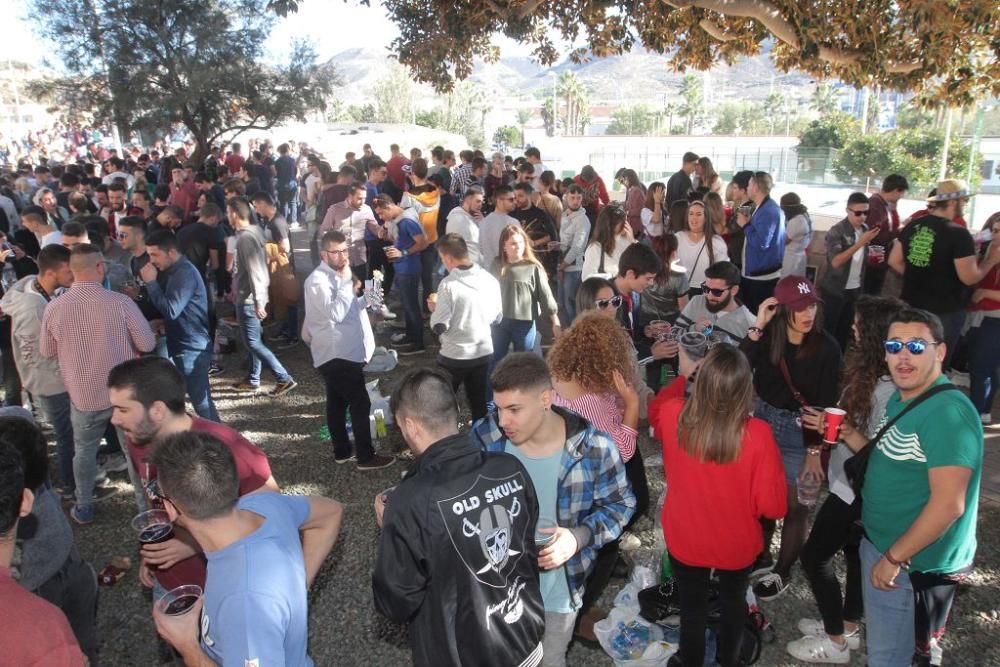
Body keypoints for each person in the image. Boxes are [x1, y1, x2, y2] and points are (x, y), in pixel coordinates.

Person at [471, 353, 635, 667]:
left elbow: (622, 504)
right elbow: (451, 479)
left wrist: (579, 536)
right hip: (499, 590)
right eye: (499, 408)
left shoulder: (594, 449)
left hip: (559, 593)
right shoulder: (486, 435)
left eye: (514, 409)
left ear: (545, 399)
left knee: (550, 659)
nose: (503, 420)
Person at [372, 368, 545, 667]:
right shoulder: (509, 467)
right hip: (525, 638)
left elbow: (396, 601)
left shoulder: (409, 502)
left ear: (411, 426)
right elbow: (527, 541)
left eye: (400, 427)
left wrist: (391, 525)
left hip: (462, 655)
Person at [148, 431, 343, 666]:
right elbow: (331, 511)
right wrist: (296, 588)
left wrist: (188, 646)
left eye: (156, 493)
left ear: (169, 508)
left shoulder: (245, 603)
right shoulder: (262, 505)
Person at [786, 295, 906, 664]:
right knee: (855, 555)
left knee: (814, 556)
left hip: (855, 489)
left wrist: (839, 429)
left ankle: (835, 641)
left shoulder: (888, 391)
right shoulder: (871, 373)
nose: (851, 329)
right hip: (850, 481)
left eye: (858, 325)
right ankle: (849, 626)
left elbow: (880, 452)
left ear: (871, 334)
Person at [858, 309, 982, 667]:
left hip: (910, 564)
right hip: (884, 547)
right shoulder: (904, 397)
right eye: (895, 345)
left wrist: (894, 558)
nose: (903, 355)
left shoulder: (947, 413)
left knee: (887, 657)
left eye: (916, 345)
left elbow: (948, 505)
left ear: (940, 352)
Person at [652, 344, 786, 667]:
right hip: (735, 543)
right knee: (733, 602)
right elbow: (774, 506)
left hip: (685, 536)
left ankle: (690, 660)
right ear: (745, 388)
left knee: (693, 607)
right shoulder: (758, 434)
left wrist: (682, 375)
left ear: (702, 381)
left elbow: (654, 408)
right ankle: (729, 660)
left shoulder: (674, 415)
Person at [741, 275, 841, 600]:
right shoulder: (768, 336)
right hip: (764, 422)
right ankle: (761, 554)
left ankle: (783, 571)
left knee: (798, 506)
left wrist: (815, 451)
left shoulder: (827, 347)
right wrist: (758, 323)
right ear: (782, 310)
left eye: (812, 305)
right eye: (799, 307)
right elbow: (739, 365)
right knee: (762, 498)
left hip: (803, 431)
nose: (808, 313)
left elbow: (824, 406)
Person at [40, 244, 155, 524]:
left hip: (83, 395)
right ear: (100, 267)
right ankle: (146, 508)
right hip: (123, 394)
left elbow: (46, 352)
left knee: (85, 450)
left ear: (72, 270)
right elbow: (147, 343)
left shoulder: (54, 308)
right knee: (134, 453)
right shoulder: (120, 303)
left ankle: (84, 504)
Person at [0, 415, 99, 663]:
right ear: (25, 500)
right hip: (31, 589)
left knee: (84, 640)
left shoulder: (15, 423)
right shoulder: (31, 623)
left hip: (67, 565)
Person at [301, 230, 396, 470]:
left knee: (336, 403)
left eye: (345, 250)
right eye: (337, 252)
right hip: (335, 352)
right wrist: (347, 283)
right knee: (360, 403)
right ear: (324, 254)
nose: (343, 257)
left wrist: (370, 296)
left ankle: (342, 451)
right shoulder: (317, 281)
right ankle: (366, 456)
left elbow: (352, 307)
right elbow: (334, 313)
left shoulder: (337, 277)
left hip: (346, 350)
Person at [889, 179, 1000, 371]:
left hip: (910, 305)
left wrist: (920, 275)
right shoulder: (959, 234)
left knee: (907, 361)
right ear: (952, 202)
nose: (965, 205)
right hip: (945, 312)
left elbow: (893, 260)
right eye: (964, 201)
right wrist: (991, 260)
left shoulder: (914, 226)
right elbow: (970, 277)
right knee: (934, 366)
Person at [1, 245, 78, 496]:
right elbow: (38, 354)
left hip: (49, 378)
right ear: (52, 272)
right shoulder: (34, 309)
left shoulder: (30, 284)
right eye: (69, 270)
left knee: (66, 430)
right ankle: (70, 483)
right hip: (51, 382)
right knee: (66, 433)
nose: (74, 275)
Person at [141, 230, 219, 422]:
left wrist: (151, 283)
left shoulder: (184, 273)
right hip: (185, 343)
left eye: (155, 255)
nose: (151, 261)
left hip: (191, 346)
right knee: (197, 400)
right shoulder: (176, 271)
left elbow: (172, 309)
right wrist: (162, 322)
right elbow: (179, 310)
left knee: (201, 403)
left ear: (172, 252)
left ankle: (224, 441)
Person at [227, 197, 297, 395]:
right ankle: (253, 378)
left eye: (227, 211)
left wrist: (259, 302)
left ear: (234, 213)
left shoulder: (246, 238)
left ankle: (284, 378)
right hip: (249, 298)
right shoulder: (253, 233)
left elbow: (256, 270)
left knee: (253, 342)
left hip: (248, 299)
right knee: (254, 340)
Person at [428, 234, 503, 421]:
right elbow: (497, 317)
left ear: (448, 258)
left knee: (443, 400)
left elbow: (439, 326)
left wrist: (434, 310)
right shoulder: (489, 279)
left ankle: (448, 436)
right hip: (483, 352)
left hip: (455, 355)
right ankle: (480, 441)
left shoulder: (448, 285)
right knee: (478, 401)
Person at [819, 192, 881, 350]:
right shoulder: (837, 231)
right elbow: (836, 261)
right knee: (829, 329)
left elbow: (861, 259)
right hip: (835, 289)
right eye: (858, 213)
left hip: (855, 288)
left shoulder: (865, 229)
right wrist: (860, 243)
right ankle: (826, 360)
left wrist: (872, 256)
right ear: (847, 210)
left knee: (846, 329)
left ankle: (839, 360)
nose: (863, 217)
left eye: (866, 213)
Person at [494, 225, 560, 365]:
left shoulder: (533, 267)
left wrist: (555, 322)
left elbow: (546, 296)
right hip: (500, 322)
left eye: (520, 242)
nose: (517, 246)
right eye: (513, 243)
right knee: (495, 361)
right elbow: (487, 292)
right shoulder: (496, 265)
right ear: (504, 246)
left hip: (524, 323)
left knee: (524, 363)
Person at [374, 193, 429, 355]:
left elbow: (423, 243)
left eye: (382, 213)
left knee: (412, 307)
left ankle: (418, 343)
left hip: (409, 269)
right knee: (407, 305)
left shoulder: (407, 221)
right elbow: (395, 237)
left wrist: (403, 253)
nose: (381, 217)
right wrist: (385, 227)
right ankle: (411, 336)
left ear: (389, 207)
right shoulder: (397, 219)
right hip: (402, 268)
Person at [735, 171, 785, 313]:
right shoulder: (763, 207)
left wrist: (745, 225)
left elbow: (762, 243)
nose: (748, 187)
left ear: (756, 187)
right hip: (759, 272)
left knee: (757, 315)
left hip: (762, 276)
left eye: (750, 184)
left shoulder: (768, 211)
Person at [967, 216, 1000, 425]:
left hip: (994, 318)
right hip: (983, 316)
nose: (995, 234)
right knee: (986, 367)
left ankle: (978, 410)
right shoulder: (989, 250)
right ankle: (983, 409)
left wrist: (985, 292)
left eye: (998, 231)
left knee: (981, 367)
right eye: (994, 230)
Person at [675, 260, 756, 341]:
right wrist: (694, 329)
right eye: (706, 289)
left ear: (734, 290)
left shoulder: (749, 323)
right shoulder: (697, 301)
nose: (709, 296)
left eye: (717, 292)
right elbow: (674, 334)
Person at [864, 174, 909, 295]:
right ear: (896, 190)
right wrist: (898, 232)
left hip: (878, 257)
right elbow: (874, 236)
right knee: (870, 291)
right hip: (873, 257)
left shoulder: (883, 204)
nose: (901, 196)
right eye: (902, 192)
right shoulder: (875, 205)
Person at [676, 199, 728, 296]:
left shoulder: (716, 242)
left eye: (698, 214)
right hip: (681, 292)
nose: (694, 218)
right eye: (691, 214)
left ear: (706, 218)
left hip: (707, 292)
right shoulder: (678, 238)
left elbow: (723, 272)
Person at [557, 185, 590, 325]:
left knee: (571, 306)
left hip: (574, 268)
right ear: (566, 197)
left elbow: (577, 247)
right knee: (562, 304)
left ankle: (575, 336)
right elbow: (566, 241)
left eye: (579, 198)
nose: (575, 201)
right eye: (572, 197)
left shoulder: (583, 220)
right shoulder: (564, 215)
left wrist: (562, 267)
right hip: (562, 265)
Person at [581, 204, 633, 280]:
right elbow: (586, 278)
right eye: (623, 222)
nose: (626, 225)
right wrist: (614, 277)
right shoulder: (595, 248)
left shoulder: (627, 242)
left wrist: (632, 242)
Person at [479, 184, 520, 275]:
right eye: (511, 199)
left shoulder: (483, 223)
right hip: (508, 273)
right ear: (500, 201)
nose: (515, 202)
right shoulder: (514, 223)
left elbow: (481, 249)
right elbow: (518, 250)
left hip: (488, 273)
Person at [445, 185, 485, 265]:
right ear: (468, 199)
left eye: (481, 202)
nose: (480, 205)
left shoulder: (473, 217)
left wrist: (483, 222)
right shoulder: (457, 219)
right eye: (478, 201)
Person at [780, 192, 812, 279]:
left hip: (792, 259)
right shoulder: (805, 216)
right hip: (800, 255)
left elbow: (784, 241)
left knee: (788, 283)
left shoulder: (796, 221)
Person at [620, 169, 645, 238]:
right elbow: (629, 204)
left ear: (628, 179)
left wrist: (627, 212)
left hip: (636, 226)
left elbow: (639, 210)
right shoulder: (631, 190)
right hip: (632, 225)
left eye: (624, 180)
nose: (623, 182)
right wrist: (620, 204)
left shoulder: (636, 191)